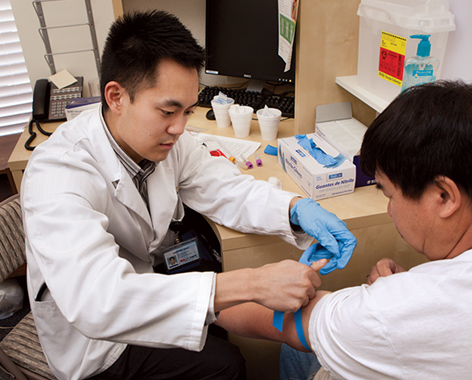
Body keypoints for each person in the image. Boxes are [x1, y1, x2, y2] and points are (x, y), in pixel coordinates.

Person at [21, 10, 356, 380]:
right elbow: (99, 302)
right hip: (95, 342)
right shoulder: (58, 173)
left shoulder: (167, 140)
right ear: (116, 96)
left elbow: (225, 188)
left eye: (188, 111)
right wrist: (253, 283)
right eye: (167, 111)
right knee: (225, 365)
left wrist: (294, 208)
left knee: (220, 318)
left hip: (145, 279)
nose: (180, 128)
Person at [216, 81, 472, 379]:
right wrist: (408, 289)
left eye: (389, 193)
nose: (390, 210)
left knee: (297, 347)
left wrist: (204, 297)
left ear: (444, 196)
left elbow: (283, 324)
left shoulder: (390, 314)